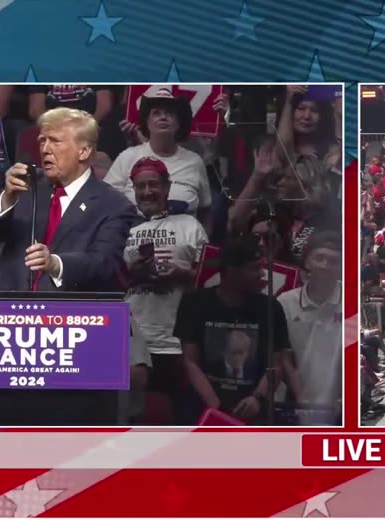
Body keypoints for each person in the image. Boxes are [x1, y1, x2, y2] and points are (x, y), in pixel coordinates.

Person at [0, 107, 136, 292]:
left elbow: (104, 263)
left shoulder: (113, 205)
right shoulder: (26, 186)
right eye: (42, 140)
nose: (45, 149)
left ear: (83, 151)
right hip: (10, 311)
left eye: (55, 141)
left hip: (67, 314)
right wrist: (7, 197)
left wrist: (55, 263)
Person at [123, 157, 209, 414]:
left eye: (153, 185)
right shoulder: (121, 228)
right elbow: (106, 283)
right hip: (130, 345)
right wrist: (132, 274)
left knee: (178, 420)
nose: (147, 192)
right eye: (141, 187)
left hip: (177, 344)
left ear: (167, 188)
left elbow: (211, 283)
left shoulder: (190, 226)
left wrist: (183, 273)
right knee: (132, 420)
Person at [174, 238, 291, 424]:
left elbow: (276, 364)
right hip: (202, 406)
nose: (261, 274)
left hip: (253, 408)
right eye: (254, 268)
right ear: (231, 272)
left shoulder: (271, 307)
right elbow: (190, 361)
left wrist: (257, 398)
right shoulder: (194, 302)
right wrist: (216, 407)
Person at [105, 88, 214, 234]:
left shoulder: (195, 162)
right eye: (157, 113)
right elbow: (104, 202)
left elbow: (205, 211)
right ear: (147, 122)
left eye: (169, 113)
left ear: (178, 123)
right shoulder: (127, 157)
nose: (163, 117)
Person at [278, 231, 342, 426]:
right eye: (319, 258)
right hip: (296, 406)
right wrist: (301, 398)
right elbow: (283, 357)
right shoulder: (285, 302)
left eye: (333, 261)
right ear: (306, 262)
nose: (325, 266)